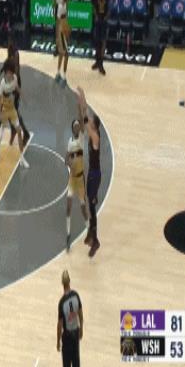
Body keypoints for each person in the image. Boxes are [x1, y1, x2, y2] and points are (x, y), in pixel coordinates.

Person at [65, 87, 90, 251]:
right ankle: (67, 235)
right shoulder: (69, 142)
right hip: (72, 179)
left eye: (77, 126)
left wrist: (79, 105)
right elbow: (66, 158)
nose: (76, 127)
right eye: (74, 126)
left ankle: (89, 230)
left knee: (82, 207)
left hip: (80, 179)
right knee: (68, 206)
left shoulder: (81, 138)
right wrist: (68, 163)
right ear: (71, 129)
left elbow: (81, 120)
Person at [0, 58, 30, 169]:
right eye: (8, 72)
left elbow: (17, 88)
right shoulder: (2, 84)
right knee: (0, 136)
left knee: (19, 131)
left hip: (12, 109)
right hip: (4, 110)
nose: (9, 74)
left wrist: (23, 97)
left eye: (11, 72)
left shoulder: (15, 78)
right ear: (5, 72)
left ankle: (22, 158)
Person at [82, 95, 102, 258]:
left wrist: (83, 103)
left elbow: (85, 119)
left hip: (95, 175)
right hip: (92, 173)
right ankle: (90, 232)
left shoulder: (95, 137)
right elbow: (86, 116)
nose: (90, 122)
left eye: (91, 122)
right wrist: (82, 99)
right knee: (89, 203)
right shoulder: (92, 132)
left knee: (92, 207)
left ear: (95, 125)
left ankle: (95, 240)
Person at [57, 270, 83, 367]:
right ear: (69, 281)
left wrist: (58, 341)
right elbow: (80, 314)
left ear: (62, 283)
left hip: (67, 337)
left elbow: (59, 325)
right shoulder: (76, 295)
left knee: (67, 364)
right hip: (75, 333)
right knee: (76, 363)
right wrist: (81, 329)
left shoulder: (62, 302)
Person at [91, 0, 112, 75]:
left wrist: (108, 14)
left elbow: (111, 2)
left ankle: (101, 64)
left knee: (103, 41)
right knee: (96, 41)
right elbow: (92, 2)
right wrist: (95, 14)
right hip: (97, 17)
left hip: (104, 18)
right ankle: (97, 61)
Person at [55, 0, 71, 86]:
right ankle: (64, 77)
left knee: (61, 54)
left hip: (64, 29)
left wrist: (67, 29)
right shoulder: (60, 6)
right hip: (61, 31)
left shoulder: (66, 3)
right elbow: (58, 22)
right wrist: (58, 37)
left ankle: (57, 73)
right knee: (66, 55)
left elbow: (65, 18)